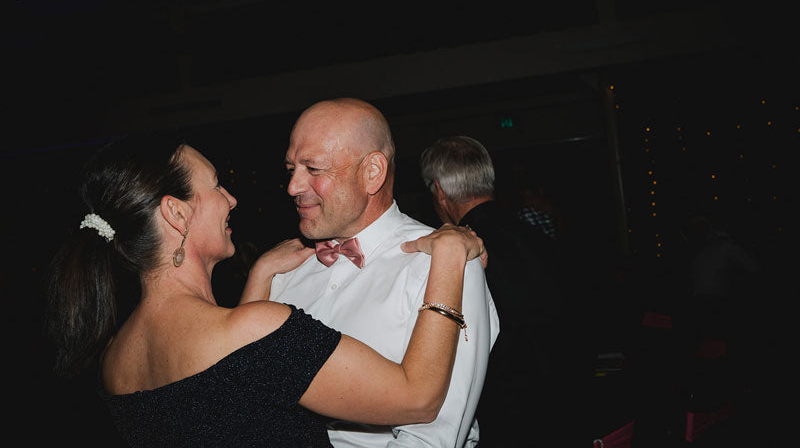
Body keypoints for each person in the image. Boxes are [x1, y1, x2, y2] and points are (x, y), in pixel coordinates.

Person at [43, 132, 486, 447]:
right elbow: (418, 398)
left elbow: (228, 394)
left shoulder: (115, 360)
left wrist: (259, 276)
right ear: (176, 214)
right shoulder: (257, 330)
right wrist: (448, 256)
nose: (231, 199)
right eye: (216, 185)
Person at [264, 98, 499, 447]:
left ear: (372, 172)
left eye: (313, 169)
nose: (293, 186)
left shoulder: (445, 265)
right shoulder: (283, 271)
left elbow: (432, 437)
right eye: (291, 169)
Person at [420, 135, 586, 447]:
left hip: (505, 420)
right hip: (568, 406)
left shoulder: (457, 257)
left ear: (439, 192)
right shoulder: (542, 238)